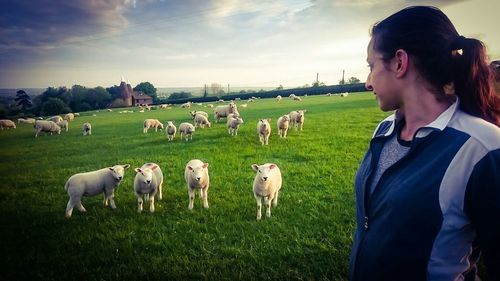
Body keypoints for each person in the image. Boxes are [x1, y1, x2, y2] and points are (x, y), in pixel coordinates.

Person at [349, 6, 500, 281]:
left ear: (399, 62)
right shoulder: (384, 130)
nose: (368, 83)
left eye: (372, 67)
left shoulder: (483, 148)